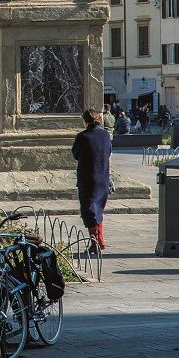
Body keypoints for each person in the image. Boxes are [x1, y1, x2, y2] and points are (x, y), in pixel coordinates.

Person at [72, 108, 112, 251]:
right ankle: (99, 240)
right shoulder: (105, 135)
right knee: (98, 210)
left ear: (84, 120)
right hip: (103, 177)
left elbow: (75, 154)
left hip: (89, 179)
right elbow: (108, 152)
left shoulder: (82, 137)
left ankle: (96, 242)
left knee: (88, 211)